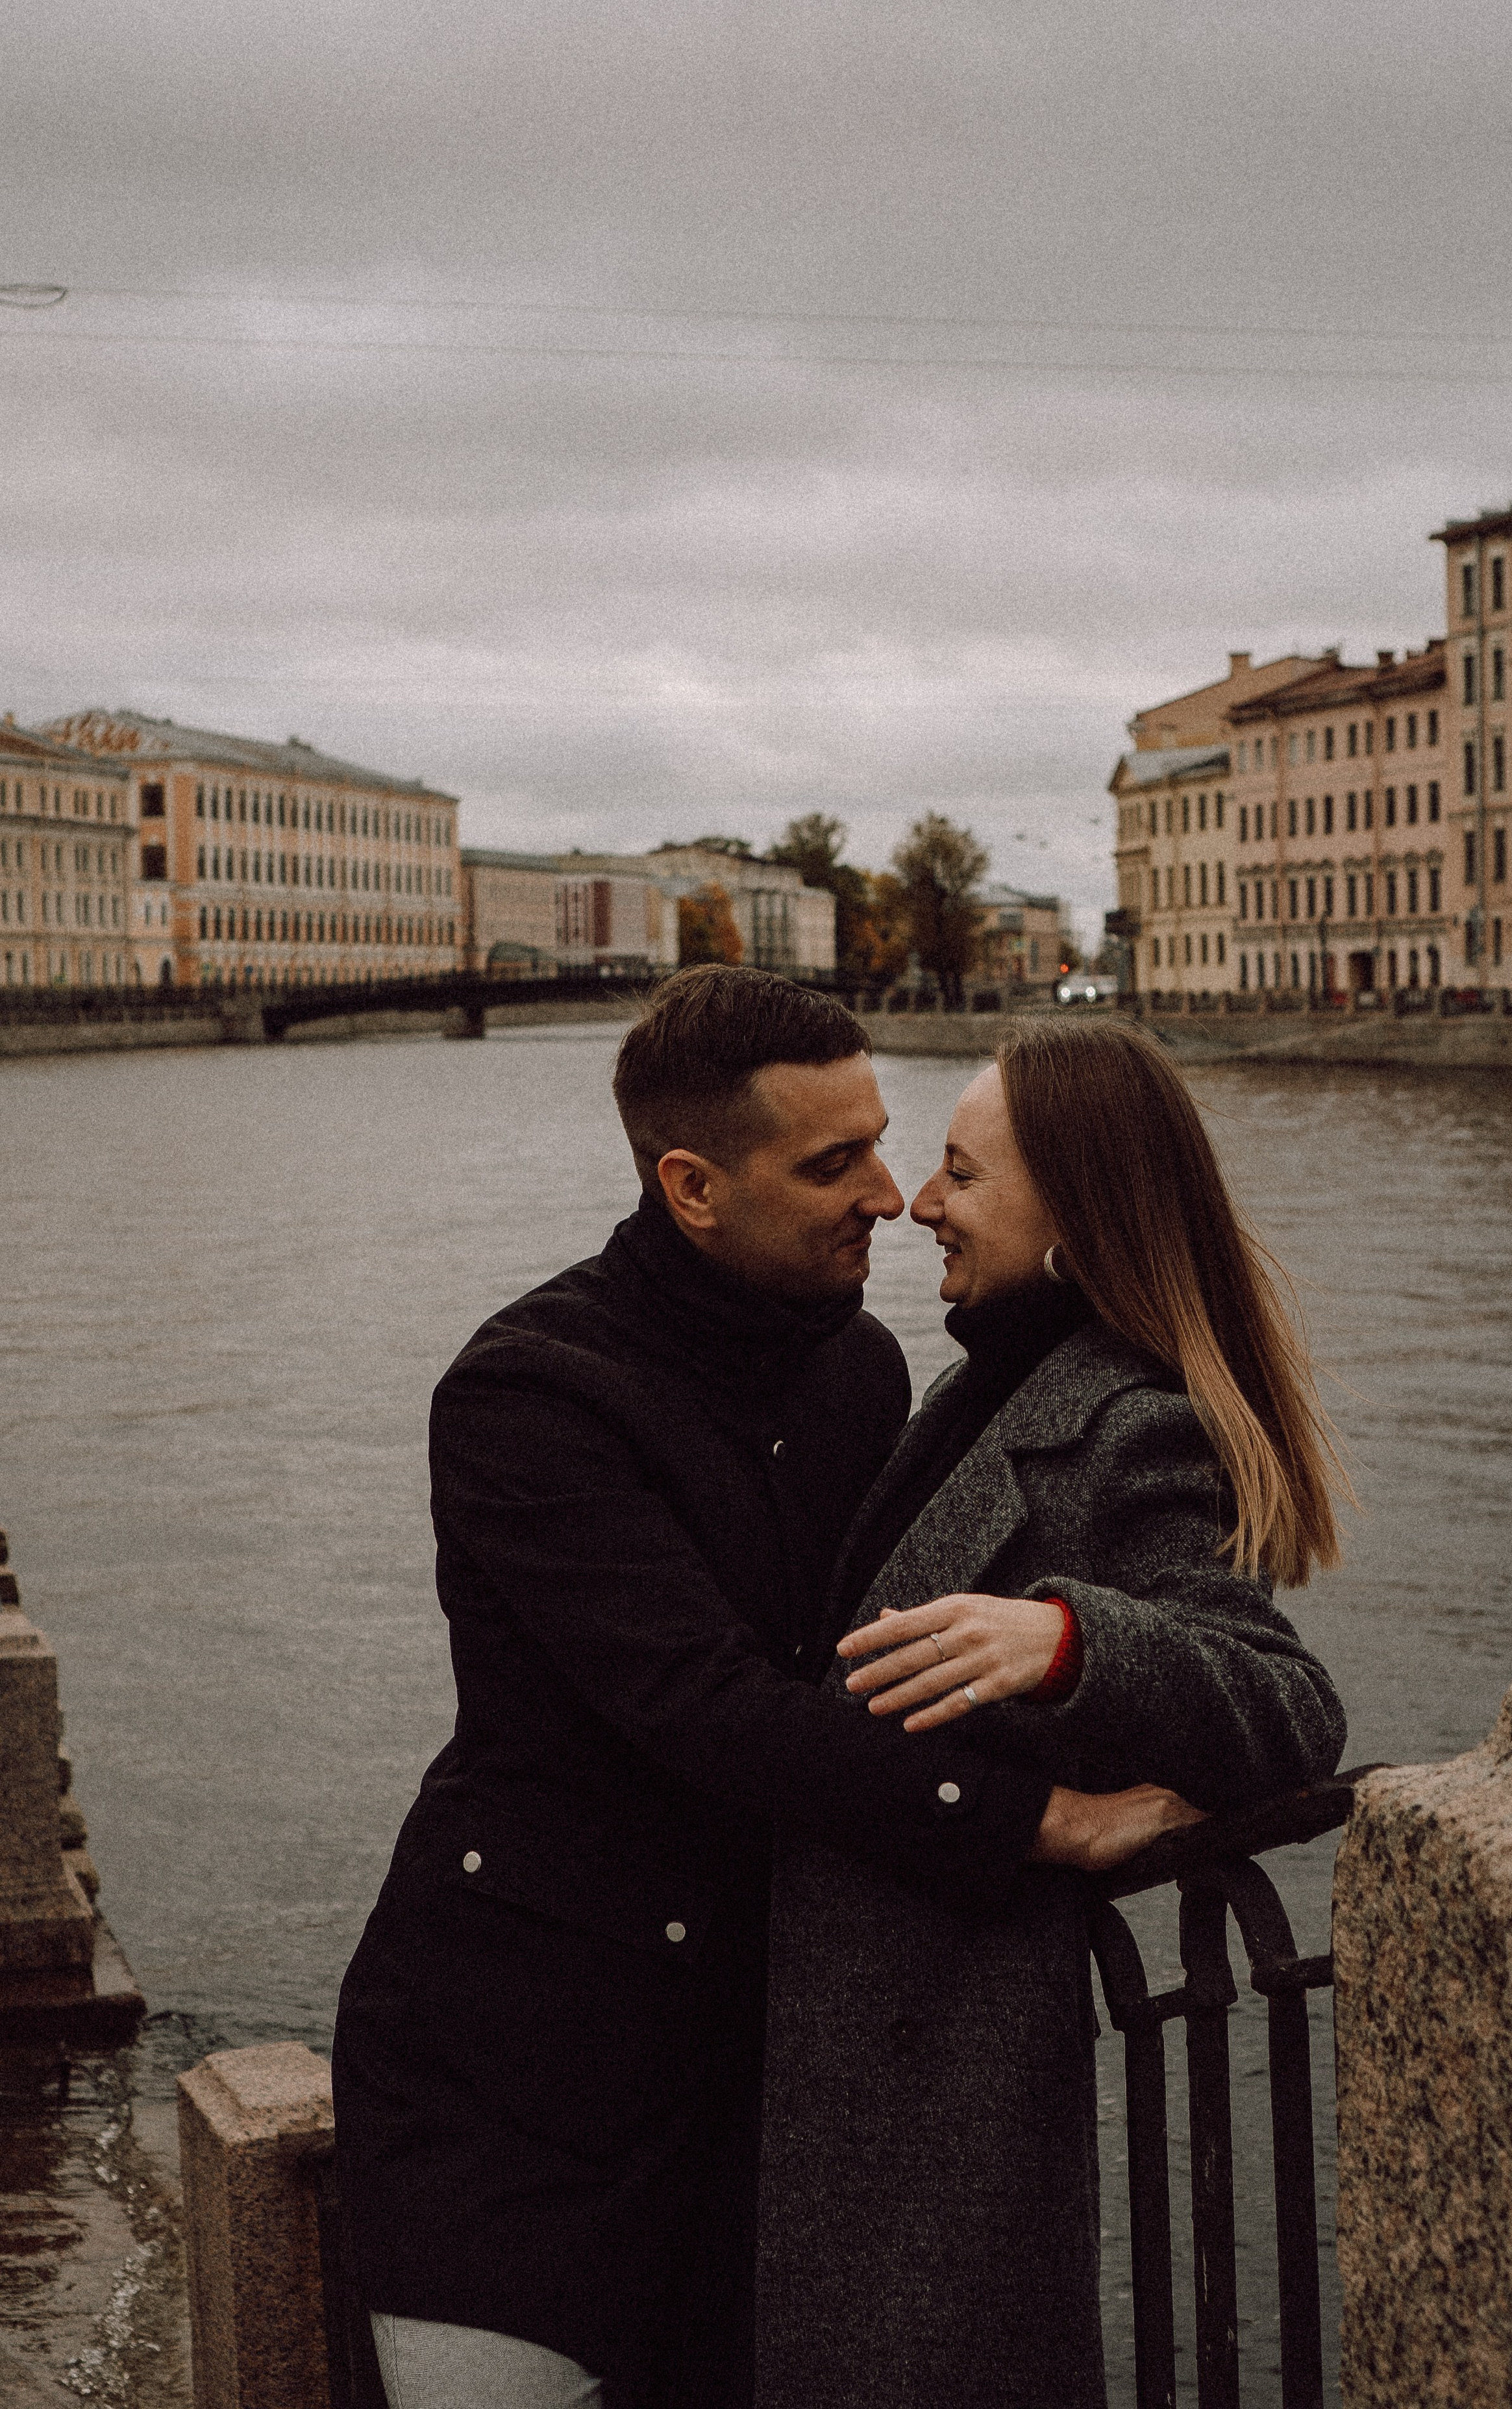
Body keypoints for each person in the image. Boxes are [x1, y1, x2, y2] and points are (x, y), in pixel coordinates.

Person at [332, 971, 1197, 2409]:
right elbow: (706, 1706)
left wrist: (1092, 1653)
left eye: (881, 1138)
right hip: (521, 2082)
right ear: (690, 1185)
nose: (888, 1192)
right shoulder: (528, 1393)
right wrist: (1036, 1821)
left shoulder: (857, 1367)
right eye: (830, 1161)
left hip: (762, 2070)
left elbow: (890, 1662)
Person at [754, 1019, 1349, 2409]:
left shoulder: (1128, 1422)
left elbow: (1289, 1710)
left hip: (928, 2085)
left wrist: (1068, 1638)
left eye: (960, 1174)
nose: (921, 1205)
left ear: (1074, 1222)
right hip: (853, 2057)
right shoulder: (989, 1382)